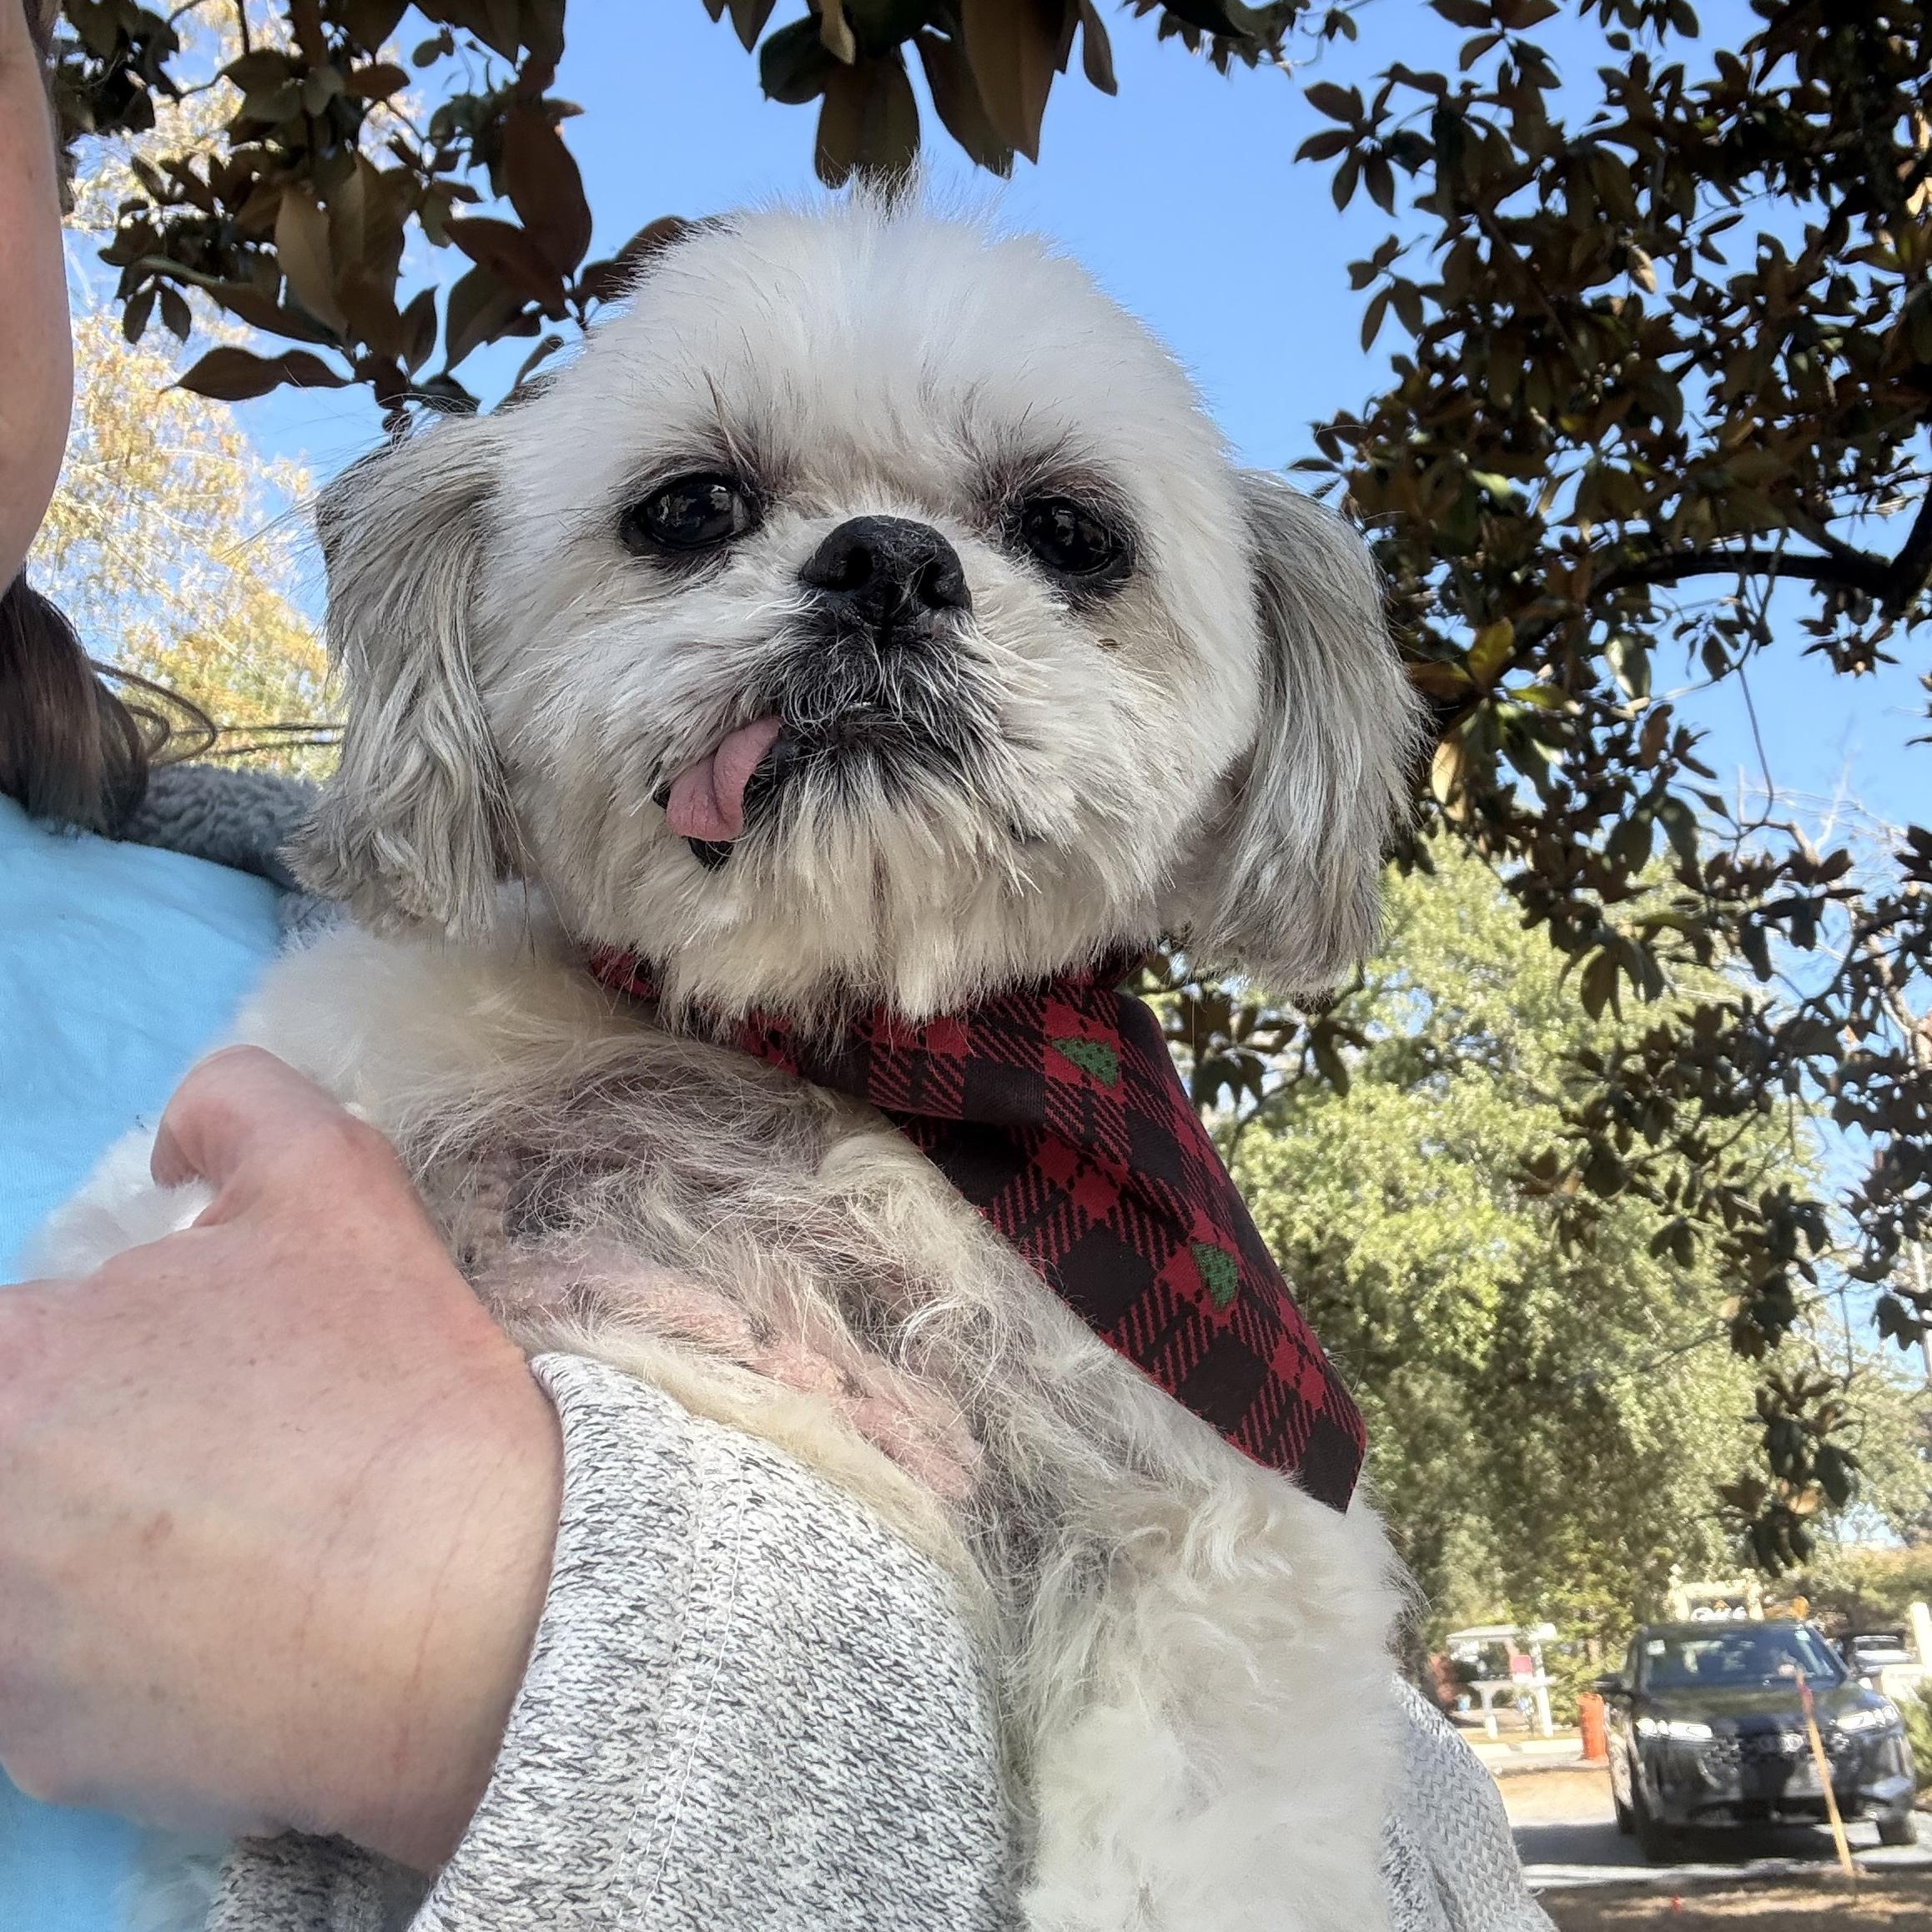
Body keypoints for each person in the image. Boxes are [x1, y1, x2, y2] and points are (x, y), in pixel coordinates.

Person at [1, 10, 1550, 1929]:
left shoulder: (1147, 1266)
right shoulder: (341, 1058)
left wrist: (481, 1650)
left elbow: (1429, 1878)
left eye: (1061, 544)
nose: (885, 578)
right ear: (467, 639)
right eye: (695, 518)